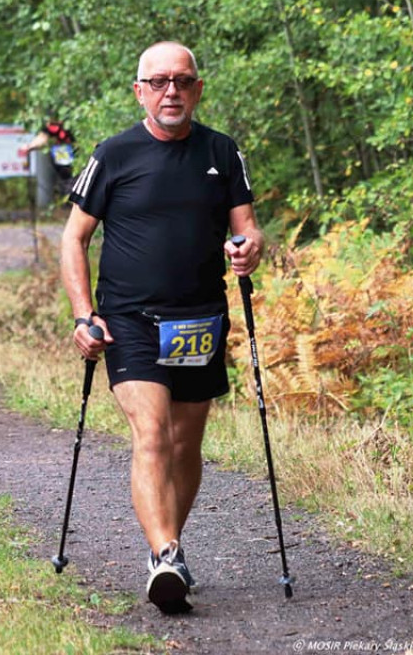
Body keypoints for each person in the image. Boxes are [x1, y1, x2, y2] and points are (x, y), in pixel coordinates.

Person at [59, 41, 263, 615]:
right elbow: (74, 238)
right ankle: (165, 556)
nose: (171, 91)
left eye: (182, 81)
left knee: (184, 442)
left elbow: (249, 227)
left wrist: (247, 251)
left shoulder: (222, 152)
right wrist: (84, 313)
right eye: (159, 82)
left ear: (198, 88)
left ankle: (170, 544)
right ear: (139, 90)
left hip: (199, 319)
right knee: (150, 432)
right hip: (129, 320)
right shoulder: (115, 154)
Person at [20, 116, 77, 197]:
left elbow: (42, 138)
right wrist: (30, 146)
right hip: (67, 160)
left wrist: (30, 146)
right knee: (69, 183)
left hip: (73, 159)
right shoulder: (57, 126)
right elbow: (42, 138)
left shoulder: (61, 126)